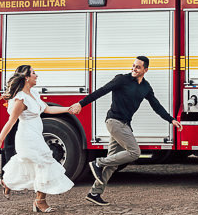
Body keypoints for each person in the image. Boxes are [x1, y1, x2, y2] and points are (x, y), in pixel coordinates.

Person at [69, 56, 181, 206]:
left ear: (145, 70)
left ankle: (95, 193)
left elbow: (156, 106)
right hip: (114, 122)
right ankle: (98, 162)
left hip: (125, 124)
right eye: (133, 66)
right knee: (135, 152)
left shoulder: (145, 87)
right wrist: (81, 104)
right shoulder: (121, 79)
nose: (134, 69)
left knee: (113, 163)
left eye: (138, 67)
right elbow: (101, 91)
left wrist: (171, 119)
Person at [0, 65, 75, 212]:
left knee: (29, 164)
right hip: (27, 138)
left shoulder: (33, 93)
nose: (37, 75)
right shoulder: (20, 99)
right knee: (45, 163)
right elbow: (11, 121)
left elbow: (47, 109)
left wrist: (68, 109)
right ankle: (40, 201)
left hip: (35, 135)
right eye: (34, 73)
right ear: (26, 77)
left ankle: (7, 182)